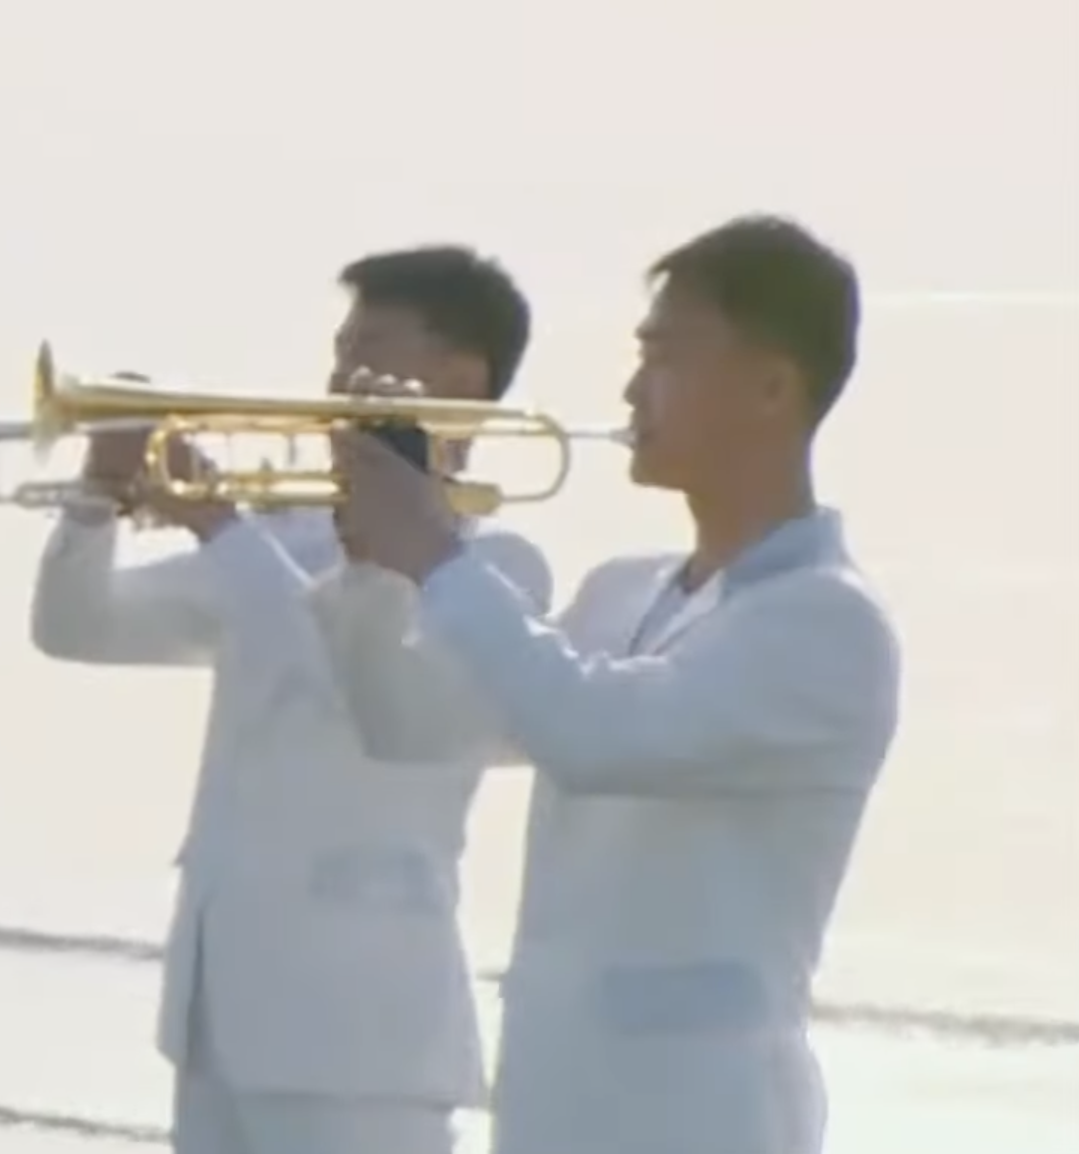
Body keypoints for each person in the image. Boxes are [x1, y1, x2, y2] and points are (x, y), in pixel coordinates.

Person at [329, 216, 898, 1154]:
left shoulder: (827, 623)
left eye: (666, 357)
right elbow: (404, 725)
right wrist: (371, 567)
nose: (633, 390)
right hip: (555, 1115)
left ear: (771, 387)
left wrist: (430, 546)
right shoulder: (622, 589)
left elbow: (593, 736)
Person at [31, 247, 550, 1154]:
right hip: (217, 1013)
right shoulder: (284, 535)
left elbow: (351, 689)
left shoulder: (495, 567)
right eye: (340, 350)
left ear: (461, 379)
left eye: (372, 350)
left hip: (362, 1036)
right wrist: (93, 499)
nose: (339, 377)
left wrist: (219, 523)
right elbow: (78, 629)